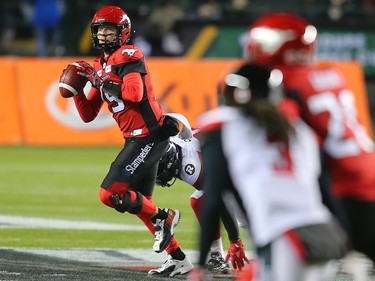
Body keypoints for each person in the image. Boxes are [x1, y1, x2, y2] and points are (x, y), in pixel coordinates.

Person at [188, 63, 348, 281]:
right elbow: (325, 188)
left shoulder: (225, 127)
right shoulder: (299, 131)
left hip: (285, 238)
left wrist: (200, 264)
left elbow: (214, 197)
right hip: (325, 236)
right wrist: (348, 240)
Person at [67, 5, 193, 277]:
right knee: (137, 204)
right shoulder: (101, 64)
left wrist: (99, 81)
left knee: (109, 194)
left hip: (150, 136)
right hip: (135, 139)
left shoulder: (129, 54)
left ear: (122, 32)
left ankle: (164, 216)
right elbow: (88, 115)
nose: (102, 35)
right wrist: (78, 89)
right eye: (99, 30)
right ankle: (179, 259)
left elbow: (133, 94)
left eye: (109, 29)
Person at [243, 12, 375, 271]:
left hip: (344, 192)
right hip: (366, 173)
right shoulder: (332, 74)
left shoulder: (286, 83)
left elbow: (285, 131)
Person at [155, 113, 249, 274]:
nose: (163, 175)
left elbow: (221, 198)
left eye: (163, 171)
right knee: (199, 199)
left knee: (248, 220)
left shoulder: (190, 167)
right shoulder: (172, 143)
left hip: (245, 172)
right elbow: (179, 119)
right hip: (232, 160)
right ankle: (217, 256)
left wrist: (235, 241)